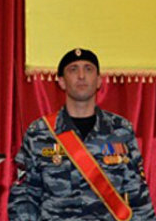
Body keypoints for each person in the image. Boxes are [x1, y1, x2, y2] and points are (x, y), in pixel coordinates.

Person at [9, 48, 156, 220]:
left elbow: (137, 196)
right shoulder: (39, 133)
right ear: (62, 82)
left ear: (99, 81)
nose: (81, 75)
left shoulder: (121, 131)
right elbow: (24, 196)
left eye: (88, 69)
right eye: (73, 69)